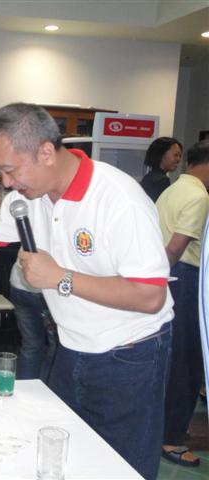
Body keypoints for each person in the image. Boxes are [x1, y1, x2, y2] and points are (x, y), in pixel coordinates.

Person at [0, 103, 173, 480]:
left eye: (10, 170)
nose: (6, 183)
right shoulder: (27, 198)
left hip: (129, 354)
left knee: (122, 467)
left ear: (45, 152)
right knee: (64, 456)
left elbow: (150, 296)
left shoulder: (119, 199)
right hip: (71, 347)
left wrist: (61, 278)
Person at [157, 140, 209, 468]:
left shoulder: (173, 190)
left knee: (172, 361)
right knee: (187, 363)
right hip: (184, 280)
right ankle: (173, 438)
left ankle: (167, 427)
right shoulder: (200, 197)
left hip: (169, 280)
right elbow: (176, 249)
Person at [9, 259, 57, 381]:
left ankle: (26, 389)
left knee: (31, 346)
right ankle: (47, 390)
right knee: (57, 347)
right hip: (49, 290)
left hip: (19, 284)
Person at [140, 137, 183, 202]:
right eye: (175, 155)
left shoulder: (149, 176)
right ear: (162, 154)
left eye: (180, 156)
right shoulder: (162, 181)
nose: (179, 159)